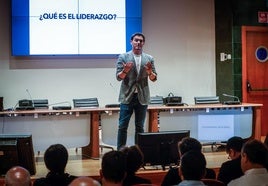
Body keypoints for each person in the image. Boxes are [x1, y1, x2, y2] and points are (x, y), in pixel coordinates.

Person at [116, 32, 157, 150]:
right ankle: (120, 151)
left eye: (141, 41)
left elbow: (154, 78)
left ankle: (139, 152)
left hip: (142, 97)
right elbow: (119, 77)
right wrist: (125, 70)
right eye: (136, 40)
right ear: (131, 42)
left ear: (143, 43)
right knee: (122, 126)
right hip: (127, 96)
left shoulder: (149, 58)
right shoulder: (123, 57)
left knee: (140, 127)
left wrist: (150, 72)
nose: (138, 43)